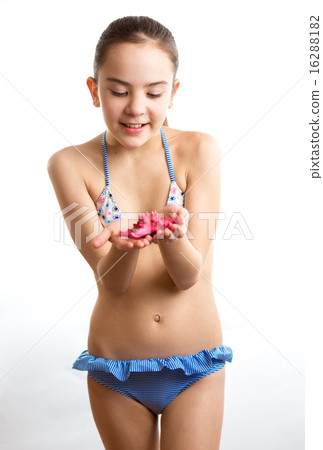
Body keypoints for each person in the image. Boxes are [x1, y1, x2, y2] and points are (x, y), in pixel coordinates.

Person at [47, 15, 233, 450]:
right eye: (118, 91)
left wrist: (172, 239)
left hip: (196, 368)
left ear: (173, 92)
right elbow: (111, 280)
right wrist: (125, 248)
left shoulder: (198, 150)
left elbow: (189, 276)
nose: (135, 107)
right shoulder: (69, 164)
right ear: (94, 90)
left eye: (153, 93)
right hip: (116, 371)